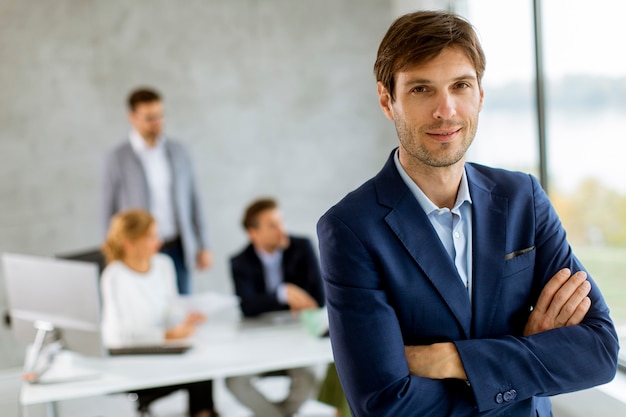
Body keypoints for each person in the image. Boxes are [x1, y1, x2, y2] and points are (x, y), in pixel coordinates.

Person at [316, 10, 619, 417]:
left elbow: (599, 350)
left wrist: (448, 360)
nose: (446, 110)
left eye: (460, 85)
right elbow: (384, 405)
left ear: (480, 94)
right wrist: (520, 362)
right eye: (422, 89)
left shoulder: (522, 198)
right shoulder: (350, 229)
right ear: (388, 101)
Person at [100, 209, 218, 417]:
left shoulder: (163, 264)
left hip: (165, 352)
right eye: (151, 236)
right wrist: (167, 335)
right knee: (197, 374)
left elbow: (169, 311)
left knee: (203, 367)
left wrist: (185, 319)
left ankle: (203, 412)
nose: (159, 241)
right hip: (132, 360)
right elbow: (119, 337)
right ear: (129, 243)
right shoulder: (114, 276)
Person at [102, 87, 212, 295]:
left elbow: (194, 199)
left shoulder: (179, 151)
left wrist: (203, 244)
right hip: (138, 248)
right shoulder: (117, 158)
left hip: (176, 245)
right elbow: (108, 208)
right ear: (133, 117)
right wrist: (110, 248)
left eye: (160, 116)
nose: (157, 123)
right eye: (150, 118)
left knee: (180, 303)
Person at [225, 198, 324, 417]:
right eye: (272, 225)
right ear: (253, 233)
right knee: (234, 382)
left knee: (310, 377)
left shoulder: (302, 247)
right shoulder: (240, 262)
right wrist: (283, 293)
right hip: (256, 340)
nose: (282, 229)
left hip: (295, 335)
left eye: (281, 221)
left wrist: (280, 298)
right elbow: (248, 306)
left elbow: (319, 298)